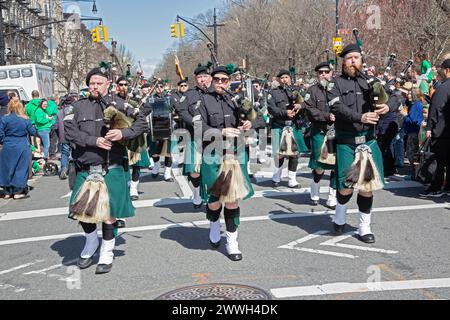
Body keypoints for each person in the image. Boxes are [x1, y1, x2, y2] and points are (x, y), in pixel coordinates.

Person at [64, 67, 147, 274]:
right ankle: (91, 242)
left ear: (107, 84)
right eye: (92, 83)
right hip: (86, 168)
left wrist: (123, 133)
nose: (95, 86)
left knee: (110, 215)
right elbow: (70, 133)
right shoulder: (76, 107)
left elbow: (142, 122)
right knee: (83, 213)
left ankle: (107, 252)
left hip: (112, 168)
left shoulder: (119, 104)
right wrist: (94, 141)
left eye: (99, 82)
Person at [328, 44, 390, 244]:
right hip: (347, 141)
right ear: (343, 62)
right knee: (346, 187)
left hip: (368, 142)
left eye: (356, 57)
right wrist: (360, 117)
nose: (353, 61)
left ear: (362, 60)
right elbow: (336, 107)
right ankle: (339, 215)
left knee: (367, 187)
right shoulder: (334, 83)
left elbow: (395, 96)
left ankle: (364, 227)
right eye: (349, 58)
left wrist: (387, 106)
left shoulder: (371, 82)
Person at [196, 66, 255, 261]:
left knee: (232, 200)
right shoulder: (203, 101)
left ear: (229, 81)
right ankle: (214, 224)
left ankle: (232, 240)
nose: (221, 83)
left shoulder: (235, 100)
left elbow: (259, 118)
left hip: (234, 154)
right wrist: (220, 132)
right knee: (214, 202)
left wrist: (250, 124)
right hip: (212, 153)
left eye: (224, 80)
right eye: (217, 79)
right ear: (212, 81)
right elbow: (197, 127)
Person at [303, 61, 337, 209]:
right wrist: (326, 116)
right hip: (319, 130)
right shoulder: (312, 90)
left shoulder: (337, 89)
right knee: (319, 165)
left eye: (326, 72)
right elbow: (310, 110)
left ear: (331, 73)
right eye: (320, 72)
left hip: (336, 132)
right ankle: (315, 188)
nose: (323, 74)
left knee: (337, 165)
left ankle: (332, 196)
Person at [177, 66, 212, 208]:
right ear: (195, 79)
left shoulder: (217, 92)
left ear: (210, 78)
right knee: (193, 170)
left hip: (213, 136)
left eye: (204, 76)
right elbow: (182, 110)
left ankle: (211, 196)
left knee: (212, 169)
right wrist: (191, 120)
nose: (202, 79)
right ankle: (197, 192)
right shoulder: (189, 94)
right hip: (194, 135)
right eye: (199, 77)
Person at [268, 69, 308, 188]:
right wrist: (285, 112)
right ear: (279, 80)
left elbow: (304, 105)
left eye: (287, 77)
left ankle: (292, 179)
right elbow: (271, 109)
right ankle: (276, 176)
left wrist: (298, 106)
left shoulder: (295, 91)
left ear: (290, 79)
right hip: (278, 125)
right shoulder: (273, 92)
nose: (285, 79)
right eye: (282, 78)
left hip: (293, 125)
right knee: (278, 154)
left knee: (294, 154)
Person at [420, 59, 450, 197]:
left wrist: (429, 127)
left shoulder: (443, 88)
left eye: (442, 69)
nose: (440, 72)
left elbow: (435, 108)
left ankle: (436, 187)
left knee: (438, 161)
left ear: (447, 70)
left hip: (442, 131)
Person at [0, 99, 37, 199]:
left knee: (7, 168)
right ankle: (18, 192)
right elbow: (33, 132)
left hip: (8, 144)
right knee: (20, 168)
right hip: (21, 144)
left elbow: (0, 133)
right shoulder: (25, 119)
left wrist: (4, 141)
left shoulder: (4, 119)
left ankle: (7, 191)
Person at [148, 82, 174, 182]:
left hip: (167, 127)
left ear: (164, 87)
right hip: (154, 128)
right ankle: (157, 166)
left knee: (168, 152)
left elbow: (174, 109)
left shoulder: (169, 98)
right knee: (154, 152)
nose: (159, 88)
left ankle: (167, 173)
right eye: (157, 86)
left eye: (161, 86)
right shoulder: (150, 98)